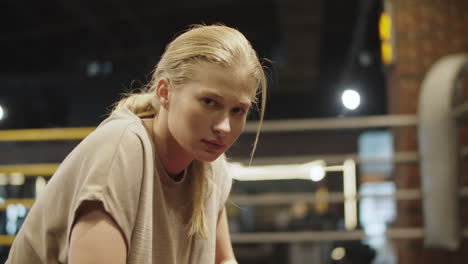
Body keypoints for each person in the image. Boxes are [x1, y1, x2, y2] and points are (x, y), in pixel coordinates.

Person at [6, 24, 267, 264]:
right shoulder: (121, 150)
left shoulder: (211, 169)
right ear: (165, 93)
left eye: (238, 111)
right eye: (209, 102)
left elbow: (224, 261)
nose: (224, 127)